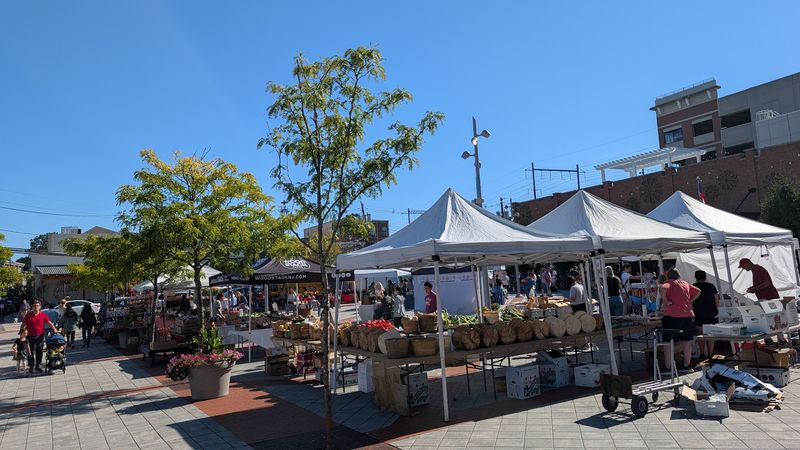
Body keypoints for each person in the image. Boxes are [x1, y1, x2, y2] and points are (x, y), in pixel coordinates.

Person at [660, 268, 701, 373]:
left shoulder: (668, 283)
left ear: (668, 276)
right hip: (687, 315)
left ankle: (668, 367)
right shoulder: (684, 283)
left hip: (672, 316)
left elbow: (663, 287)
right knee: (687, 341)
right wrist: (689, 301)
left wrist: (665, 301)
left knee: (667, 342)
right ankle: (687, 365)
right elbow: (698, 291)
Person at [23, 300, 57, 374]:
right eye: (34, 306)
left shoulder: (43, 315)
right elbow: (23, 324)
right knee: (30, 352)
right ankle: (31, 367)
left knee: (39, 351)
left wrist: (54, 329)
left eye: (37, 306)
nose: (36, 307)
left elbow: (49, 322)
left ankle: (38, 366)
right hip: (30, 336)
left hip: (40, 336)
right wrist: (22, 333)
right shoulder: (28, 315)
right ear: (32, 307)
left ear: (40, 307)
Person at [693, 270, 720, 359]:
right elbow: (717, 300)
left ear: (696, 277)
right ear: (705, 277)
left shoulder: (693, 286)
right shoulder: (711, 286)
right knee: (711, 334)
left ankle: (702, 353)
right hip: (711, 313)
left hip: (699, 313)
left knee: (701, 334)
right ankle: (710, 353)